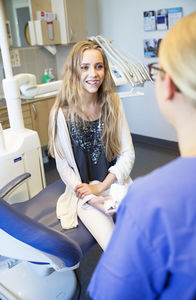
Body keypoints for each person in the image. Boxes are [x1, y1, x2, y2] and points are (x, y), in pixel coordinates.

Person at [88, 10, 196, 299]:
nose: (93, 75)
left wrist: (123, 197)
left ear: (170, 85)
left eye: (157, 70)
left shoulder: (153, 203)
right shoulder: (62, 113)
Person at [48, 40, 135, 250]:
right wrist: (93, 198)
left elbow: (127, 154)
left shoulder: (113, 103)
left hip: (113, 183)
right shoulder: (61, 113)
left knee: (144, 232)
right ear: (74, 71)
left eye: (99, 66)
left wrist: (103, 186)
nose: (93, 74)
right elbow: (64, 167)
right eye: (84, 67)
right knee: (117, 249)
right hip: (82, 194)